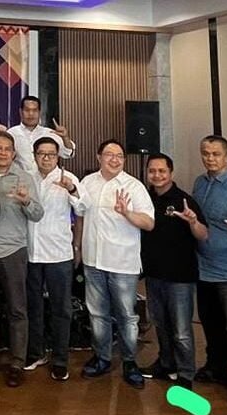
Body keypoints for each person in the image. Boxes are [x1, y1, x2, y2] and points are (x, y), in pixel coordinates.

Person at [76, 139, 154, 389]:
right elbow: (80, 216)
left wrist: (127, 213)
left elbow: (149, 223)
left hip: (122, 262)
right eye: (109, 154)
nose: (114, 159)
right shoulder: (87, 183)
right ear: (99, 157)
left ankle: (130, 362)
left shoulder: (134, 186)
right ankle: (102, 357)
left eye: (119, 155)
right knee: (97, 313)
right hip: (93, 260)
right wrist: (77, 248)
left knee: (126, 316)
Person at [0, 132, 44, 388]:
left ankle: (17, 361)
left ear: (14, 153)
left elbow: (38, 214)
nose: (3, 153)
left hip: (13, 250)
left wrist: (26, 201)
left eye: (8, 149)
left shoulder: (24, 178)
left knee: (17, 309)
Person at [140, 153, 206, 390]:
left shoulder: (184, 200)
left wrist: (193, 222)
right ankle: (166, 364)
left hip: (180, 276)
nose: (157, 175)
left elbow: (203, 235)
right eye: (152, 171)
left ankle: (186, 373)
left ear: (171, 173)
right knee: (161, 325)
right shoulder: (145, 198)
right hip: (153, 274)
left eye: (162, 171)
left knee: (181, 330)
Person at [25, 136, 85, 382]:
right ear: (35, 155)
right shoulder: (26, 177)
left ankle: (60, 359)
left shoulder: (68, 178)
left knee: (61, 309)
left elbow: (82, 209)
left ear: (58, 156)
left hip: (59, 253)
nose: (46, 158)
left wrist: (71, 189)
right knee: (34, 306)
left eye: (51, 154)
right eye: (42, 153)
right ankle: (36, 352)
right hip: (30, 252)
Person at [191, 135, 227, 405]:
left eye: (215, 154)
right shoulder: (200, 182)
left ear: (226, 156)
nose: (210, 158)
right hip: (203, 268)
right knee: (211, 324)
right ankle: (217, 368)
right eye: (205, 153)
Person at [5, 95, 75, 173]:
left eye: (34, 110)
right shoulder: (11, 133)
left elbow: (68, 153)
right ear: (21, 112)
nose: (31, 114)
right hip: (20, 178)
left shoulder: (49, 133)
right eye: (27, 110)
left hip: (46, 178)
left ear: (39, 112)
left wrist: (65, 138)